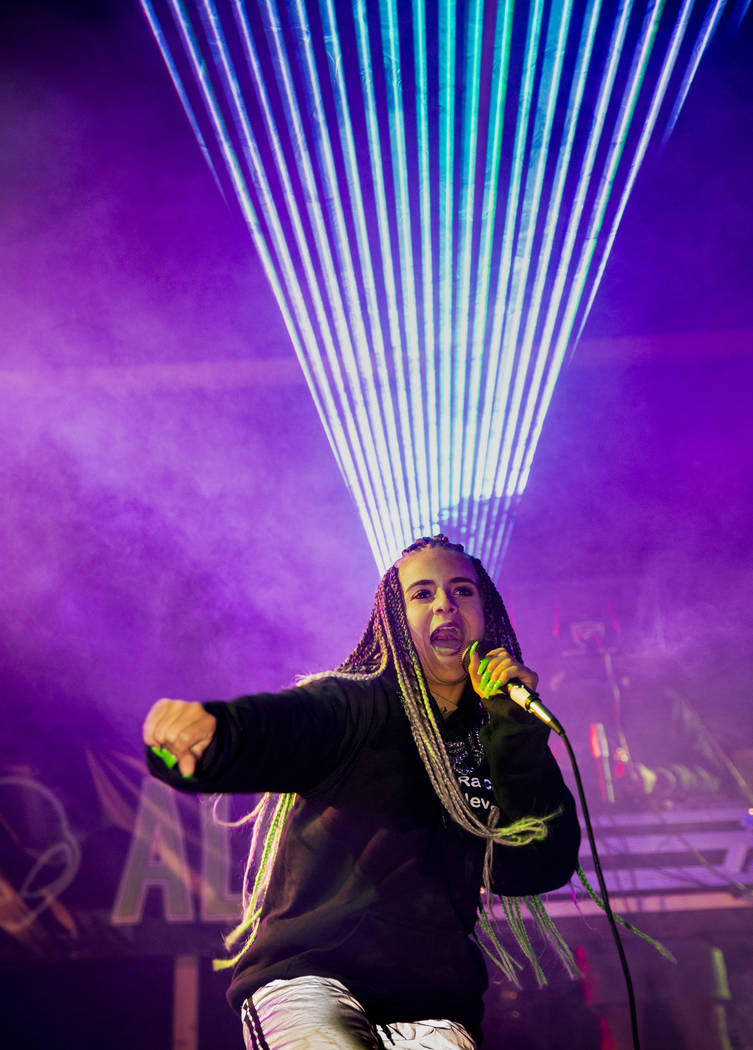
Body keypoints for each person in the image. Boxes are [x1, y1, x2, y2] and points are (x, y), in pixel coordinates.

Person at [143, 535, 581, 1050]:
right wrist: (211, 736)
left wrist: (516, 728)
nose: (445, 603)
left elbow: (537, 864)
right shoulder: (355, 705)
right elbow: (284, 728)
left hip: (435, 1002)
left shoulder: (494, 738)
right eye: (422, 594)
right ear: (395, 618)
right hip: (313, 979)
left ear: (486, 614)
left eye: (462, 591)